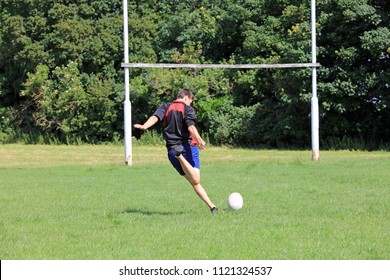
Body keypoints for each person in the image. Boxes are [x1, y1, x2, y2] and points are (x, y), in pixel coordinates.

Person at [134, 88, 218, 214]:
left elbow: (155, 117)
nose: (191, 104)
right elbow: (190, 126)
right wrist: (199, 139)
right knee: (195, 179)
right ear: (186, 98)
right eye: (191, 101)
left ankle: (212, 207)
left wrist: (145, 126)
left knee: (194, 182)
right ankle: (180, 156)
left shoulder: (165, 106)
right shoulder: (187, 109)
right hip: (188, 147)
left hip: (171, 151)